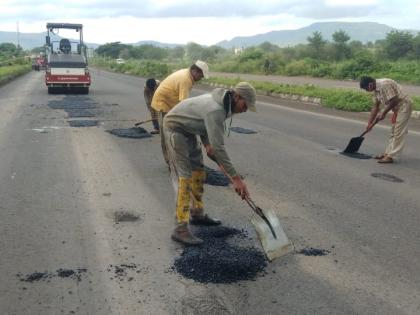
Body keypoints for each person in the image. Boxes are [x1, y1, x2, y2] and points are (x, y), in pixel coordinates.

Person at [163, 82, 257, 245]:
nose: (246, 109)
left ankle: (197, 213)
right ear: (237, 96)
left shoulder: (225, 104)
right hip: (175, 129)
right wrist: (235, 179)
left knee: (198, 171)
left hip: (190, 129)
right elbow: (219, 147)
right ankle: (180, 229)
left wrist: (207, 144)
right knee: (185, 179)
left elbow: (203, 123)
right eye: (245, 104)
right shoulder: (216, 109)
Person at [151, 60, 209, 164]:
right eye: (202, 75)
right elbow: (184, 104)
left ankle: (175, 160)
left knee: (173, 133)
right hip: (163, 104)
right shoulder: (185, 79)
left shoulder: (187, 74)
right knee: (167, 135)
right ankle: (170, 162)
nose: (201, 78)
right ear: (195, 71)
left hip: (170, 104)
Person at [360, 76, 413, 164]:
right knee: (393, 131)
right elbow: (375, 107)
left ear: (370, 85)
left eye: (366, 89)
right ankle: (387, 154)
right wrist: (369, 123)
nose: (367, 91)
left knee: (398, 132)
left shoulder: (385, 84)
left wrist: (383, 113)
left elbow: (394, 100)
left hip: (404, 106)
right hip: (396, 108)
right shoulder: (376, 90)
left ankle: (391, 156)